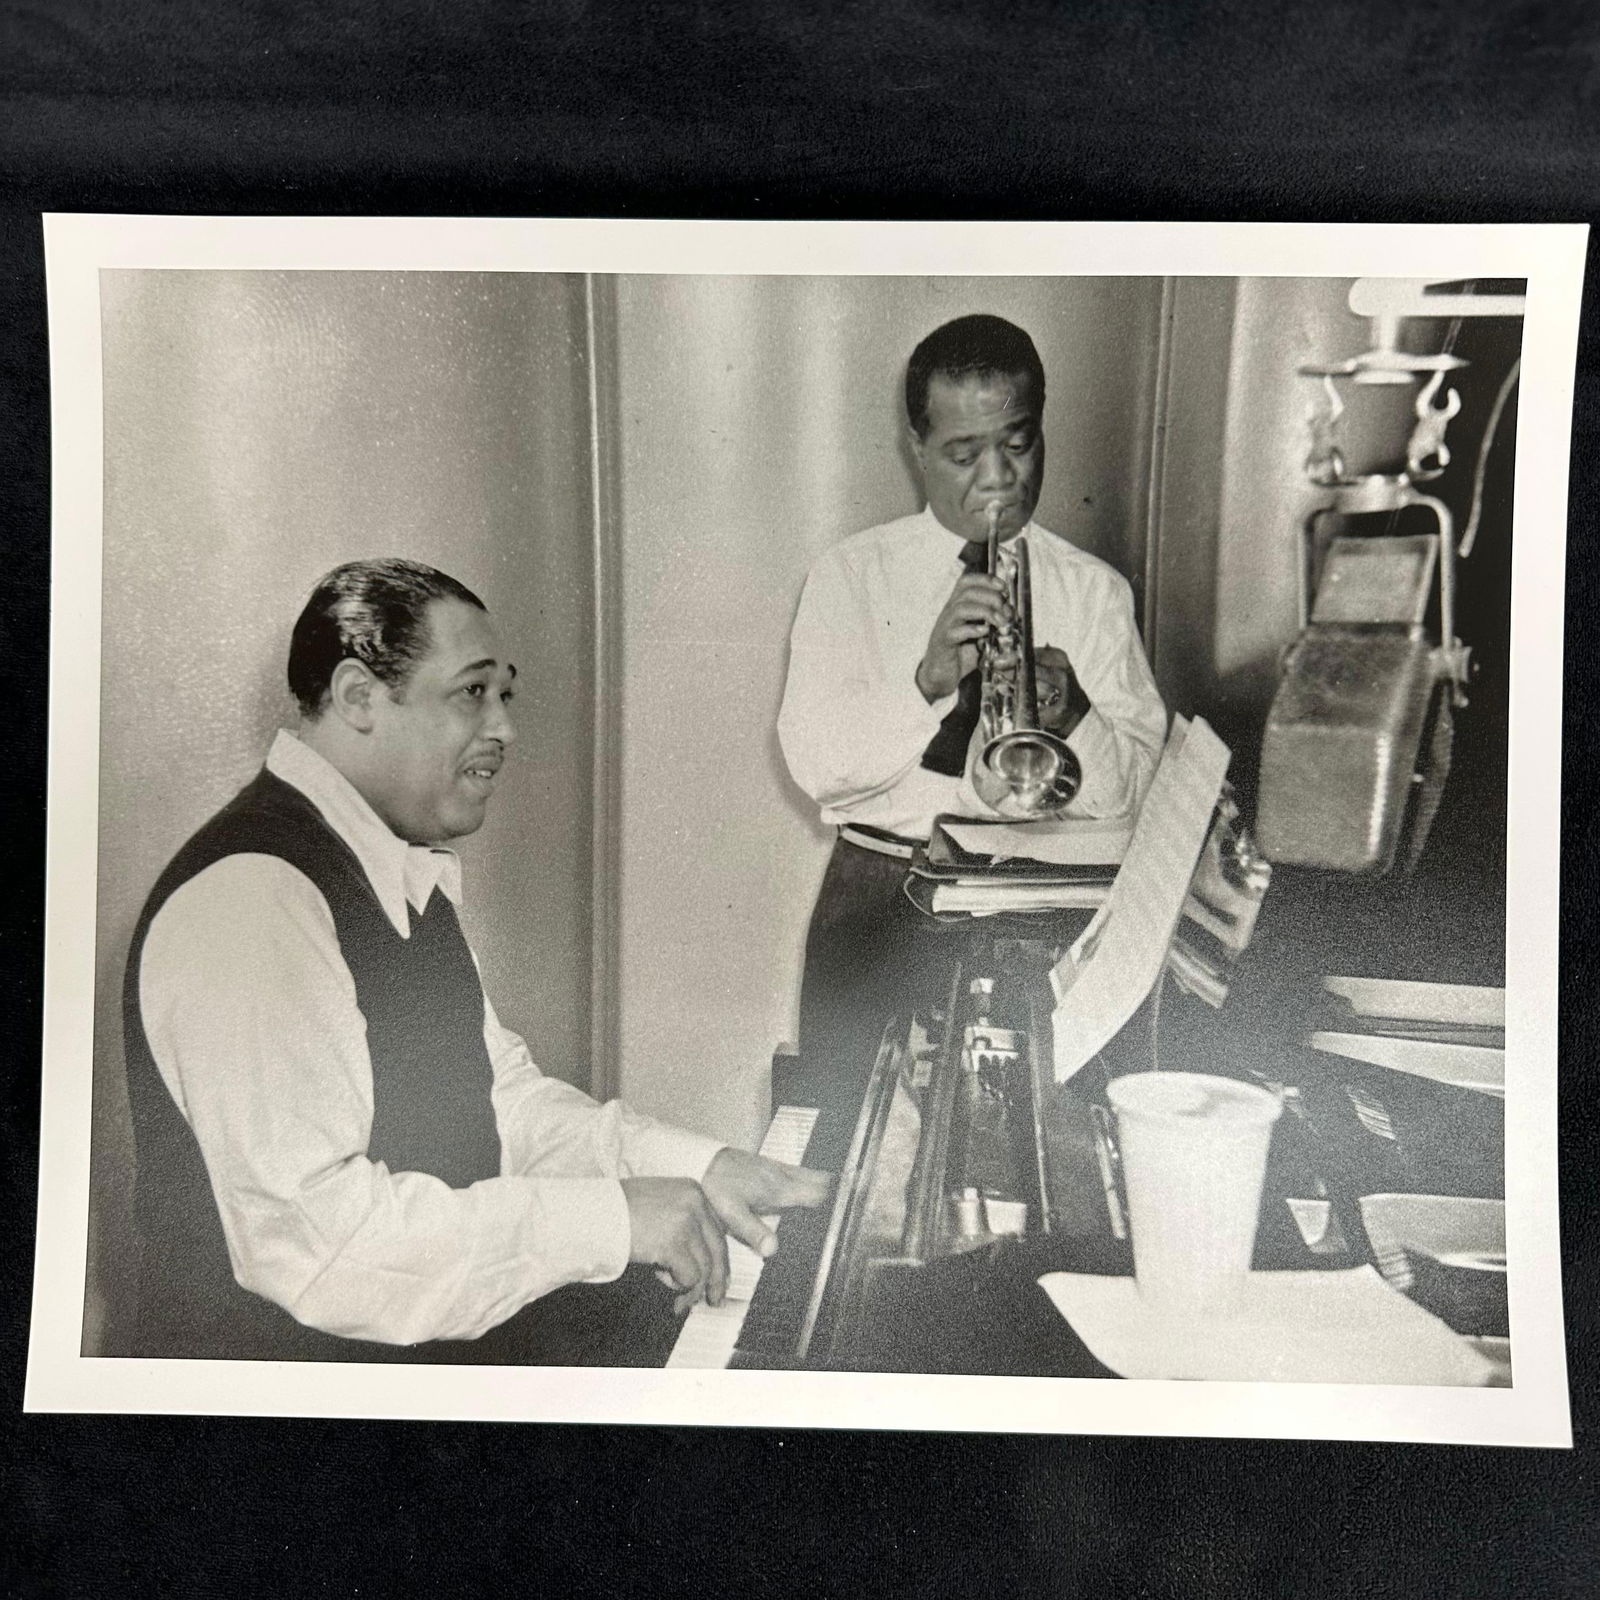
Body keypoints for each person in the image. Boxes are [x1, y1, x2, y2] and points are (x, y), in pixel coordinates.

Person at [125, 558, 830, 1365]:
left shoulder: (390, 864)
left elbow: (504, 1108)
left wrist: (702, 1168)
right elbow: (322, 1251)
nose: (506, 728)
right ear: (358, 698)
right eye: (472, 693)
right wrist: (616, 1219)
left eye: (507, 694)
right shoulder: (253, 899)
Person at [778, 313, 1168, 1077]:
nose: (996, 478)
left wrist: (1077, 715)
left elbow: (1143, 800)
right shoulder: (851, 575)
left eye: (1018, 444)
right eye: (963, 454)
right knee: (849, 1132)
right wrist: (926, 682)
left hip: (1043, 907)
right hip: (878, 898)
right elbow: (817, 767)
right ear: (917, 449)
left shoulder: (1095, 593)